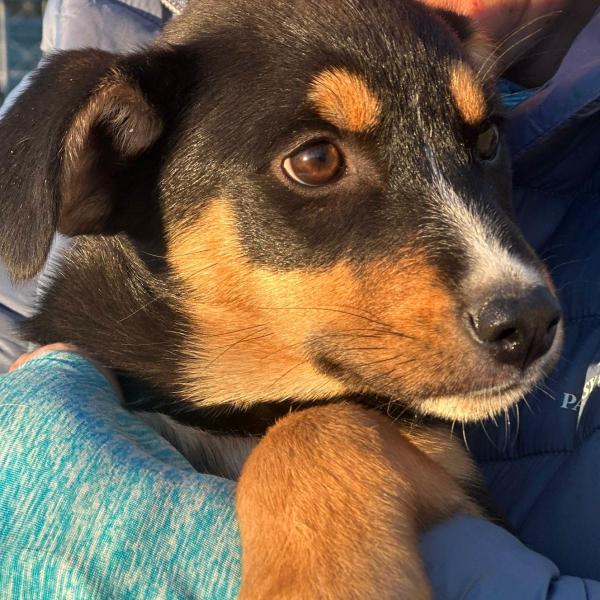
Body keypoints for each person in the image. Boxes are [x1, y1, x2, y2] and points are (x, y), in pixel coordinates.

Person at [1, 0, 600, 597]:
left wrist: (326, 469)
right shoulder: (165, 78)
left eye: (484, 140)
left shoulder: (386, 413)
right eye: (317, 162)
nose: (507, 280)